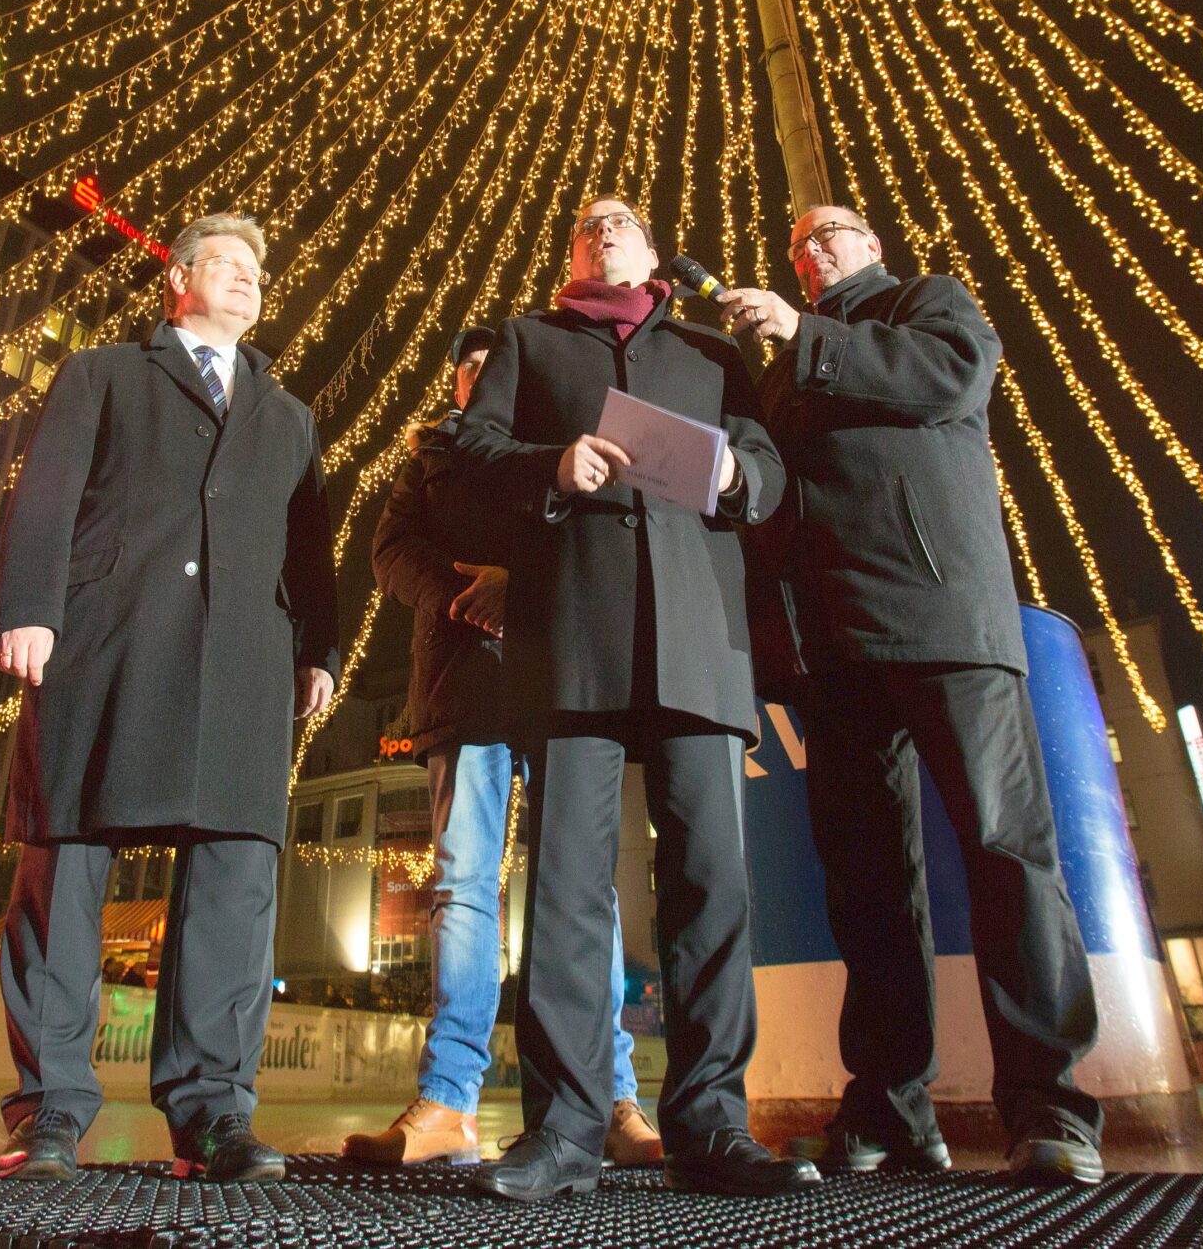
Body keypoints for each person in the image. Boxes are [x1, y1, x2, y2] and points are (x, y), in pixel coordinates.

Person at [717, 204, 1104, 1185]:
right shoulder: (783, 364)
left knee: (1004, 849)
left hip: (946, 619)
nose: (813, 249)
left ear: (872, 247)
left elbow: (951, 378)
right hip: (834, 645)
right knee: (867, 885)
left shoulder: (924, 306)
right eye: (799, 242)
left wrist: (804, 337)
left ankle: (1048, 1105)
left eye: (832, 233)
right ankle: (890, 1105)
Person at [453, 197, 815, 1204]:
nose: (603, 228)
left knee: (710, 885)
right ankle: (564, 1130)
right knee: (566, 888)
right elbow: (462, 464)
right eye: (583, 224)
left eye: (621, 220)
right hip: (572, 642)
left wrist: (742, 473)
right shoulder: (526, 343)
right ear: (569, 254)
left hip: (699, 641)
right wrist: (548, 468)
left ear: (651, 251)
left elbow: (773, 475)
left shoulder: (711, 354)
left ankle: (711, 1124)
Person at [0, 212, 339, 1185]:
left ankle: (214, 1115)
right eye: (226, 265)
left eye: (256, 273)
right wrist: (29, 608)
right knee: (65, 866)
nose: (246, 282)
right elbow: (48, 493)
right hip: (106, 638)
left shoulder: (289, 414)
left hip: (245, 664)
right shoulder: (103, 374)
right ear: (177, 279)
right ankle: (50, 1112)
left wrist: (323, 651)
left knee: (233, 882)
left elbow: (310, 548)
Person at [343, 327, 663, 1170]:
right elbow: (389, 549)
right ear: (455, 385)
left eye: (499, 369)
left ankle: (612, 1095)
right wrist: (460, 594)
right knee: (464, 885)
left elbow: (601, 543)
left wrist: (520, 586)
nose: (484, 379)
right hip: (461, 688)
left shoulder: (561, 448)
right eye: (472, 369)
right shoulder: (430, 457)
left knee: (579, 890)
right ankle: (448, 1097)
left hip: (560, 680)